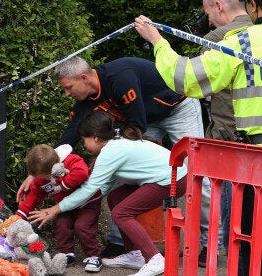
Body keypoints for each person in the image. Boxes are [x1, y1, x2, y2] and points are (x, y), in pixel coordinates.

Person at [134, 0, 262, 275]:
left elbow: (185, 78)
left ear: (251, 6)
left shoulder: (240, 44)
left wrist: (157, 42)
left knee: (256, 245)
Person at [15, 56, 205, 259]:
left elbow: (136, 126)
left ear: (84, 78)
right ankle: (121, 244)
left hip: (175, 107)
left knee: (200, 174)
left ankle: (207, 244)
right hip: (144, 117)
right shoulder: (84, 102)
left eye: (69, 87)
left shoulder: (120, 78)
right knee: (116, 187)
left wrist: (105, 158)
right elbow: (70, 136)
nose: (67, 93)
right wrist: (40, 171)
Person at [29, 110, 188, 276]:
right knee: (115, 198)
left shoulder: (110, 151)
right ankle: (135, 254)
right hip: (171, 175)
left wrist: (55, 210)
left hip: (172, 179)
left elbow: (90, 188)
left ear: (96, 138)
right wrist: (76, 205)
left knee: (121, 213)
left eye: (84, 140)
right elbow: (100, 189)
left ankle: (155, 259)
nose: (84, 145)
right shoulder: (114, 145)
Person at [197, 0, 253, 265]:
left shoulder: (219, 36)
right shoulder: (259, 31)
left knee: (232, 192)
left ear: (219, 6)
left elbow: (194, 79)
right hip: (260, 129)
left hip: (229, 130)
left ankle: (233, 253)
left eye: (208, 15)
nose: (209, 21)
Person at [16, 143, 104, 272]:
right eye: (41, 178)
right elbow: (34, 195)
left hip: (88, 202)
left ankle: (94, 255)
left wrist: (62, 185)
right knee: (62, 225)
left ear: (56, 164)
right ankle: (67, 254)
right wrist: (19, 216)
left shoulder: (71, 160)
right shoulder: (41, 179)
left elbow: (82, 173)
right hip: (65, 206)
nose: (45, 180)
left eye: (46, 176)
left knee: (83, 226)